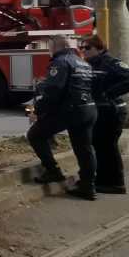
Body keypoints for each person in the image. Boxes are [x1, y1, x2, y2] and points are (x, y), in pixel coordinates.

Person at [27, 35, 97, 200]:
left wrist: (37, 110)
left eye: (50, 47)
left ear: (56, 47)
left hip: (71, 111)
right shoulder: (82, 62)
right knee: (85, 149)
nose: (49, 50)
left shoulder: (60, 62)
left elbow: (53, 91)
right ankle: (88, 186)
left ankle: (53, 172)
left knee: (35, 135)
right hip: (89, 109)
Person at [80, 34, 129, 194]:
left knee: (108, 147)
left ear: (100, 48)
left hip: (112, 112)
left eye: (87, 47)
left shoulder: (110, 62)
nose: (83, 50)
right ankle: (103, 181)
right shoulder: (90, 64)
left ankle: (116, 184)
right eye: (81, 47)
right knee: (100, 147)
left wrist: (109, 93)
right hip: (101, 112)